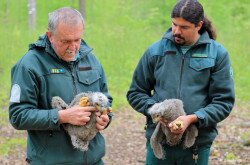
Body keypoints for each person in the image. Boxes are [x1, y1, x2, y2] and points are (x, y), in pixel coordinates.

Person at [126, 0, 235, 165]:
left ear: (199, 25)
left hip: (197, 143)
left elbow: (223, 101)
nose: (176, 31)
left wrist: (193, 118)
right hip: (159, 140)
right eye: (174, 24)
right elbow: (135, 93)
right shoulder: (155, 52)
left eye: (184, 27)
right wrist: (156, 111)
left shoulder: (217, 54)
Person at [9, 7, 112, 165]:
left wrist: (105, 117)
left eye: (77, 40)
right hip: (52, 161)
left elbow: (106, 99)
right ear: (50, 36)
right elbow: (18, 116)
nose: (73, 47)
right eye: (66, 41)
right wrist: (62, 116)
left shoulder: (91, 60)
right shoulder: (29, 65)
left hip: (94, 160)